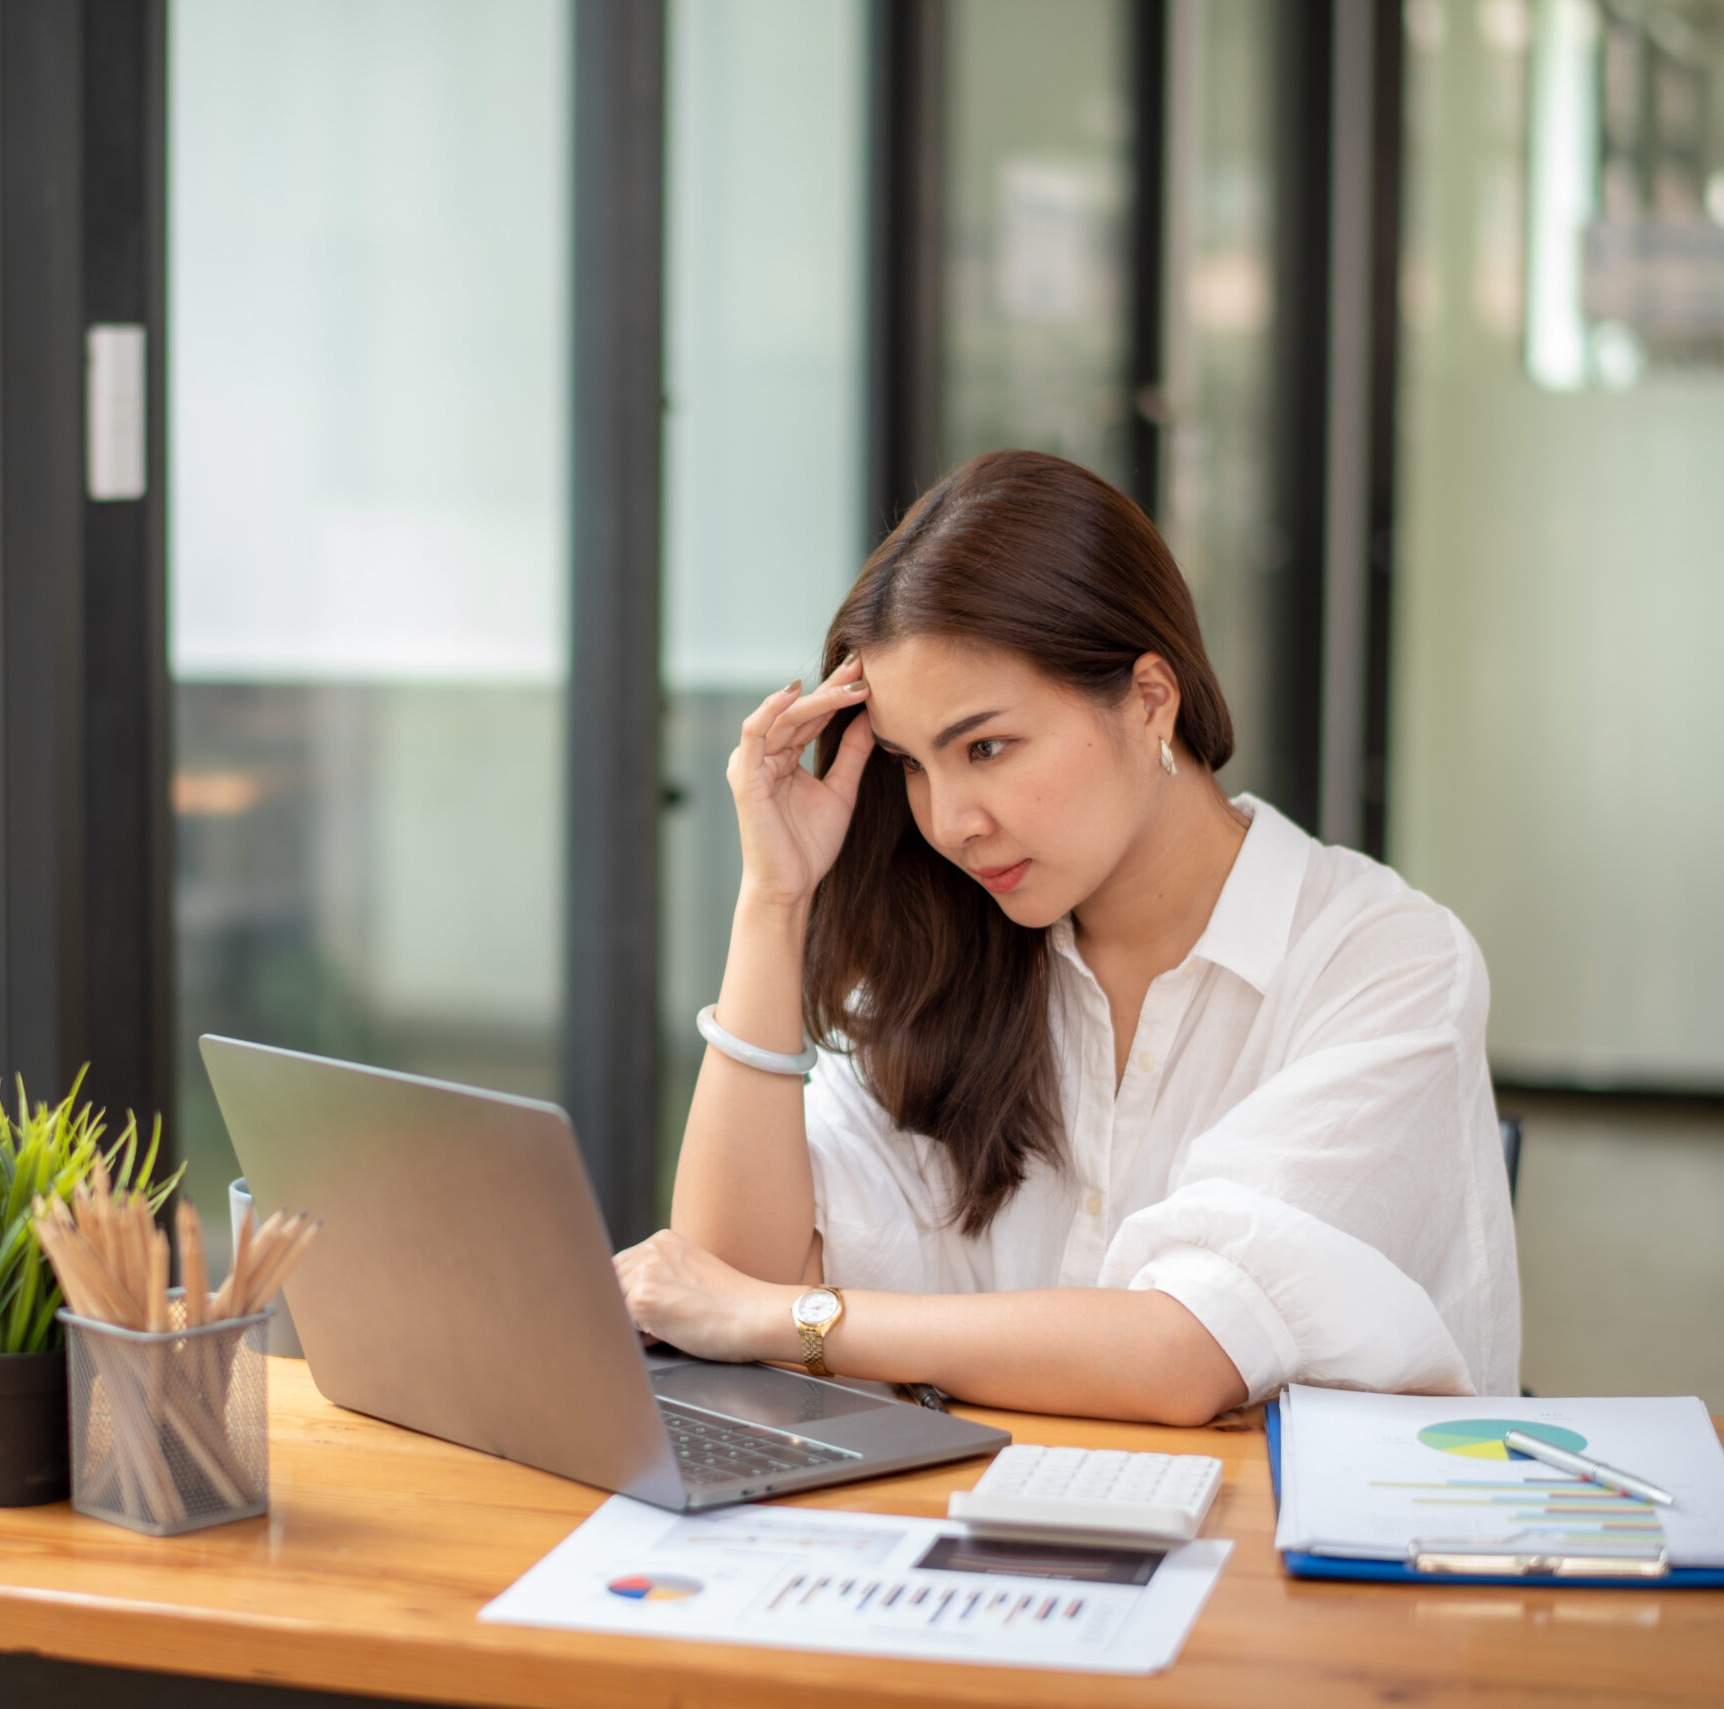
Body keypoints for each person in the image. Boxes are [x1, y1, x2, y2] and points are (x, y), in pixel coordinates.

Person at [614, 450, 1520, 1425]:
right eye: (913, 765)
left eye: (987, 747)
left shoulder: (1384, 960)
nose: (949, 818)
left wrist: (796, 1318)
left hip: (1296, 1557)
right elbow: (727, 1288)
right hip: (1002, 1534)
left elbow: (1181, 1351)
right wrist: (773, 900)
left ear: (1148, 700)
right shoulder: (945, 966)